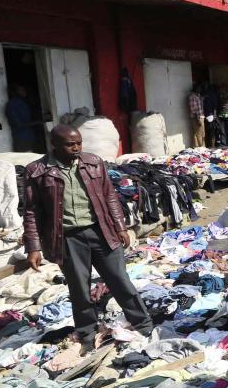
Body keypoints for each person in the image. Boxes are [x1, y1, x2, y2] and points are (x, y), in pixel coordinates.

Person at [23, 126, 153, 353]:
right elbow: (32, 212)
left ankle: (144, 324)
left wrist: (120, 226)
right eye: (69, 144)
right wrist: (33, 246)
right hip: (67, 238)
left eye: (79, 143)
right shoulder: (37, 171)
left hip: (101, 232)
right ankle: (87, 334)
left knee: (120, 280)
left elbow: (109, 196)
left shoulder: (93, 162)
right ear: (54, 145)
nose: (76, 148)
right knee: (80, 291)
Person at [5, 85, 40, 152]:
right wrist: (38, 122)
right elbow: (18, 124)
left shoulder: (24, 102)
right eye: (21, 90)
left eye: (24, 89)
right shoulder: (11, 105)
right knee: (26, 159)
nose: (24, 92)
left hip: (30, 136)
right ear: (14, 92)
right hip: (22, 138)